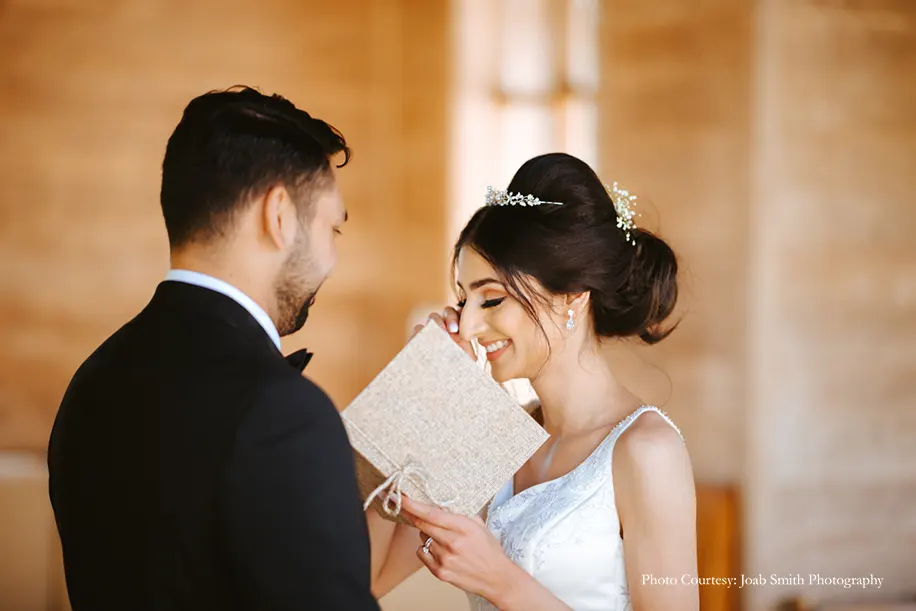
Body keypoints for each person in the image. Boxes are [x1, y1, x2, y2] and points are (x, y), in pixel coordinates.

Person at [47, 86, 380, 611]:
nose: (331, 260)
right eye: (331, 228)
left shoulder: (92, 381)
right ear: (280, 216)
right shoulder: (284, 414)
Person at [368, 153, 698, 610]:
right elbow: (369, 576)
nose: (465, 326)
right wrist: (427, 393)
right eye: (464, 300)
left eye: (492, 299)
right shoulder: (492, 440)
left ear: (571, 298)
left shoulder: (646, 452)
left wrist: (502, 581)